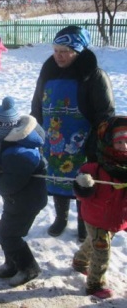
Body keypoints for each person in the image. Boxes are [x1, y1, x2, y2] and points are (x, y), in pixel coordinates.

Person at [31, 25, 115, 242]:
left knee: (82, 182)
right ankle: (61, 218)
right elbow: (37, 103)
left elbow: (105, 114)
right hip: (54, 140)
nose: (58, 56)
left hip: (82, 142)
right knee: (58, 180)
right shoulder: (48, 72)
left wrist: (96, 142)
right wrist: (36, 129)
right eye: (56, 50)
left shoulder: (94, 75)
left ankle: (82, 222)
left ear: (77, 52)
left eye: (64, 51)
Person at [0, 96, 47, 286]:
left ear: (1, 132)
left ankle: (29, 268)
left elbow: (9, 183)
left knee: (10, 236)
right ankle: (12, 264)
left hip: (25, 201)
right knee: (6, 233)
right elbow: (8, 171)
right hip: (17, 199)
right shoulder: (15, 144)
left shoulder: (19, 154)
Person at [72, 116, 127, 299]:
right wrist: (83, 185)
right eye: (119, 142)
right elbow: (81, 194)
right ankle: (95, 284)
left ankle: (80, 261)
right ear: (108, 142)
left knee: (94, 242)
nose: (124, 146)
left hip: (117, 216)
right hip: (97, 216)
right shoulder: (95, 168)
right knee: (102, 250)